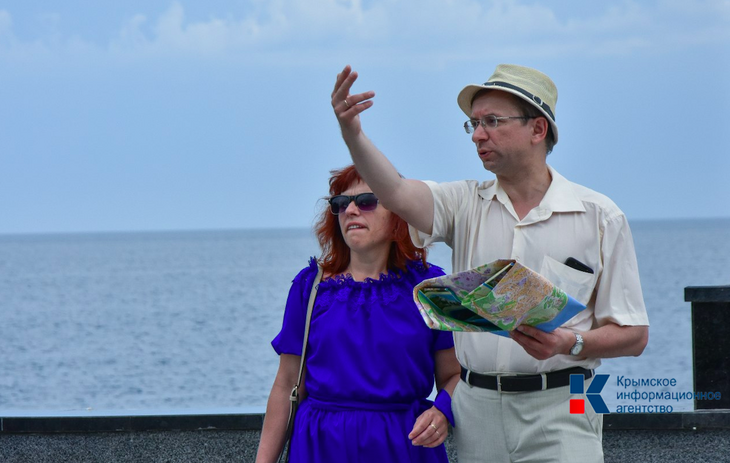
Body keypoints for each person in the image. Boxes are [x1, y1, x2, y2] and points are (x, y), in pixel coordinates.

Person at [331, 64, 650, 463]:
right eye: (474, 123)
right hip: (476, 406)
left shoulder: (600, 216)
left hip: (567, 399)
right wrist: (353, 133)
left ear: (538, 129)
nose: (478, 134)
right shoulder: (463, 203)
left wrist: (570, 342)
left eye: (493, 121)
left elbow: (634, 335)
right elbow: (394, 191)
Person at [256, 164, 461, 463]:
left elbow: (455, 375)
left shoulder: (433, 288)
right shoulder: (309, 286)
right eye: (341, 203)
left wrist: (442, 412)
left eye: (366, 201)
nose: (351, 210)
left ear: (398, 211)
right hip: (319, 447)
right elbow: (287, 383)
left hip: (403, 446)